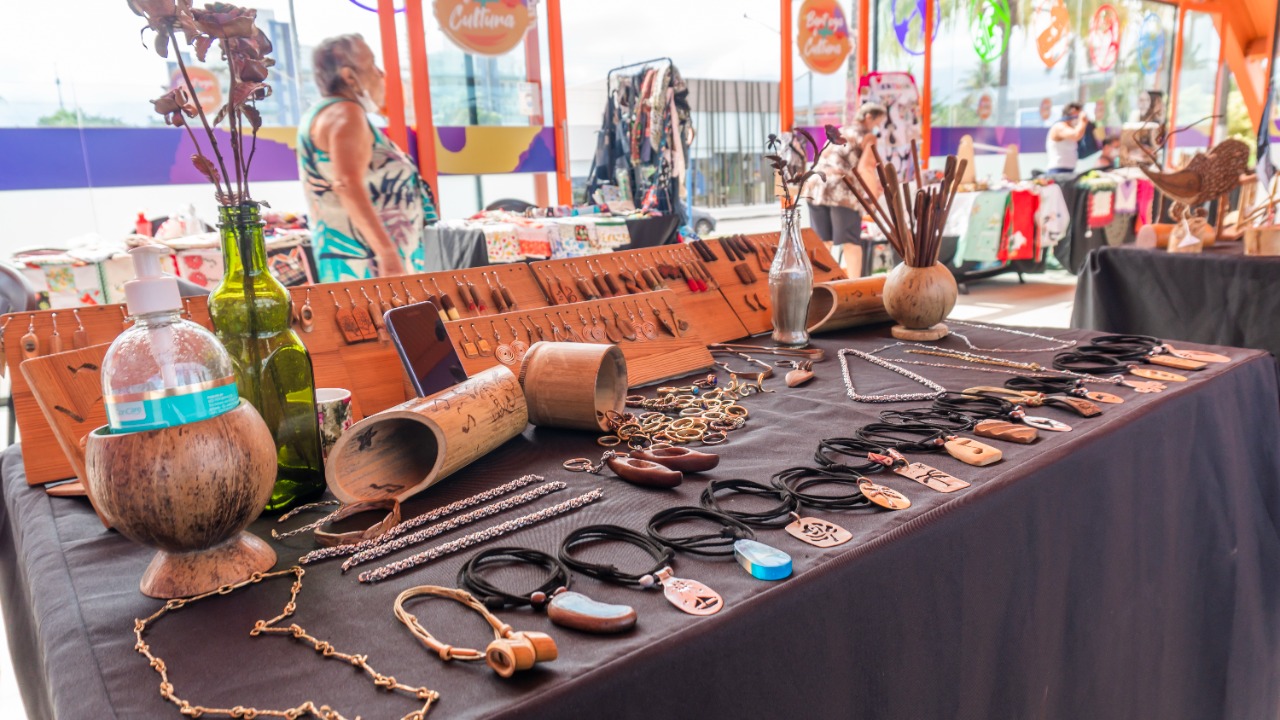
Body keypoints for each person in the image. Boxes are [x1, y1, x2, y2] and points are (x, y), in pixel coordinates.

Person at [298, 34, 438, 283]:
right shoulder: (346, 113)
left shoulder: (323, 113)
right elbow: (347, 183)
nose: (380, 73)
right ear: (349, 76)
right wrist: (386, 253)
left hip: (356, 259)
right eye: (372, 63)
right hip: (368, 264)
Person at [803, 102, 888, 273]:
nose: (878, 127)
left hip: (815, 185)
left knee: (822, 242)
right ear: (868, 117)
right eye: (877, 122)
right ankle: (854, 289)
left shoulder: (841, 130)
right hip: (840, 189)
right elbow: (866, 168)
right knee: (851, 243)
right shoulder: (867, 136)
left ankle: (815, 287)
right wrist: (872, 199)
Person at [1045, 102, 1089, 174]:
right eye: (1077, 115)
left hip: (1069, 171)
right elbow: (1076, 135)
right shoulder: (1059, 127)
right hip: (1058, 171)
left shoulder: (1072, 128)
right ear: (1072, 112)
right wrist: (1083, 121)